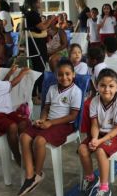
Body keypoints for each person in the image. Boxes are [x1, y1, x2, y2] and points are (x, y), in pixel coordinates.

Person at [18, 60, 82, 195]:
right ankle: (29, 176)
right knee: (24, 136)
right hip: (49, 122)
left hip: (64, 125)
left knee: (39, 140)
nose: (64, 77)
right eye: (60, 75)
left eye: (67, 74)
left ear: (74, 74)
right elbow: (46, 108)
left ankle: (37, 173)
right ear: (55, 76)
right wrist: (42, 119)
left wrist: (51, 123)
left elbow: (72, 116)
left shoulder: (76, 91)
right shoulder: (52, 89)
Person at [78, 68, 117, 196]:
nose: (107, 89)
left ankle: (104, 187)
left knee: (101, 151)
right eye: (102, 85)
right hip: (101, 133)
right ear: (96, 86)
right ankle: (91, 178)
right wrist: (95, 138)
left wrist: (99, 142)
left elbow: (116, 129)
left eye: (111, 86)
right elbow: (95, 124)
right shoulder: (94, 102)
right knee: (82, 149)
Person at [0, 55, 30, 166]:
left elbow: (3, 85)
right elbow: (12, 84)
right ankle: (17, 155)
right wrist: (23, 73)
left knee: (23, 122)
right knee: (12, 126)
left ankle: (26, 152)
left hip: (5, 112)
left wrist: (10, 73)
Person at [22, 0, 57, 105]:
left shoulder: (30, 14)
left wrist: (48, 20)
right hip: (36, 44)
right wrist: (51, 20)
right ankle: (35, 95)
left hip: (36, 44)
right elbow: (42, 27)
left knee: (40, 69)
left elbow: (41, 26)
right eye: (38, 1)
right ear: (34, 2)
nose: (40, 2)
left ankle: (40, 93)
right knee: (39, 70)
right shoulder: (32, 14)